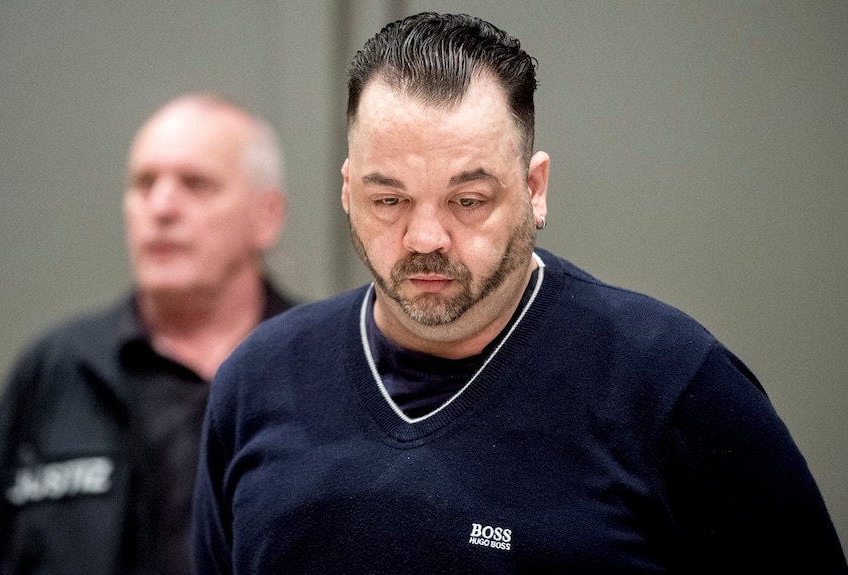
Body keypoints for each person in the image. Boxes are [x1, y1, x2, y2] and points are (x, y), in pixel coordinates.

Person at [192, 13, 847, 574]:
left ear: (535, 189)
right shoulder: (258, 382)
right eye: (388, 198)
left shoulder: (673, 384)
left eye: (468, 200)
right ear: (345, 189)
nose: (425, 236)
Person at [0, 93, 297, 575]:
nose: (161, 206)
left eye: (196, 184)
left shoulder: (321, 366)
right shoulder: (59, 370)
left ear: (266, 216)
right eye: (143, 183)